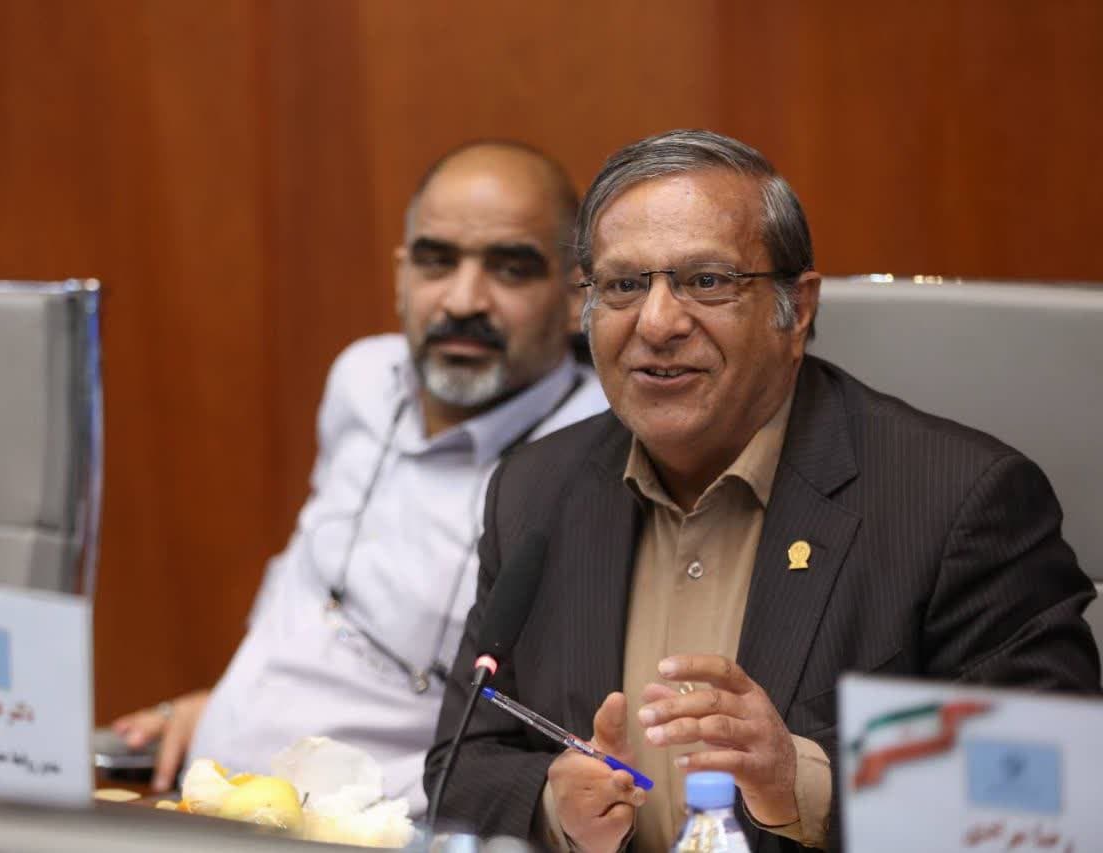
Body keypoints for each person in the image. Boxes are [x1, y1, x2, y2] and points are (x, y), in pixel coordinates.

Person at [426, 129, 1100, 852]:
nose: (657, 322)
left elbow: (1050, 792)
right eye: (623, 285)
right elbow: (461, 764)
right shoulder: (536, 490)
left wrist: (802, 781)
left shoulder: (957, 501)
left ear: (797, 309)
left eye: (707, 281)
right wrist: (551, 805)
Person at [110, 140, 608, 814]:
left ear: (577, 293)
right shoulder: (363, 377)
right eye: (436, 261)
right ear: (401, 275)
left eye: (510, 269)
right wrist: (223, 700)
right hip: (203, 791)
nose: (464, 299)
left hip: (366, 826)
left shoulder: (591, 451)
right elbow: (307, 576)